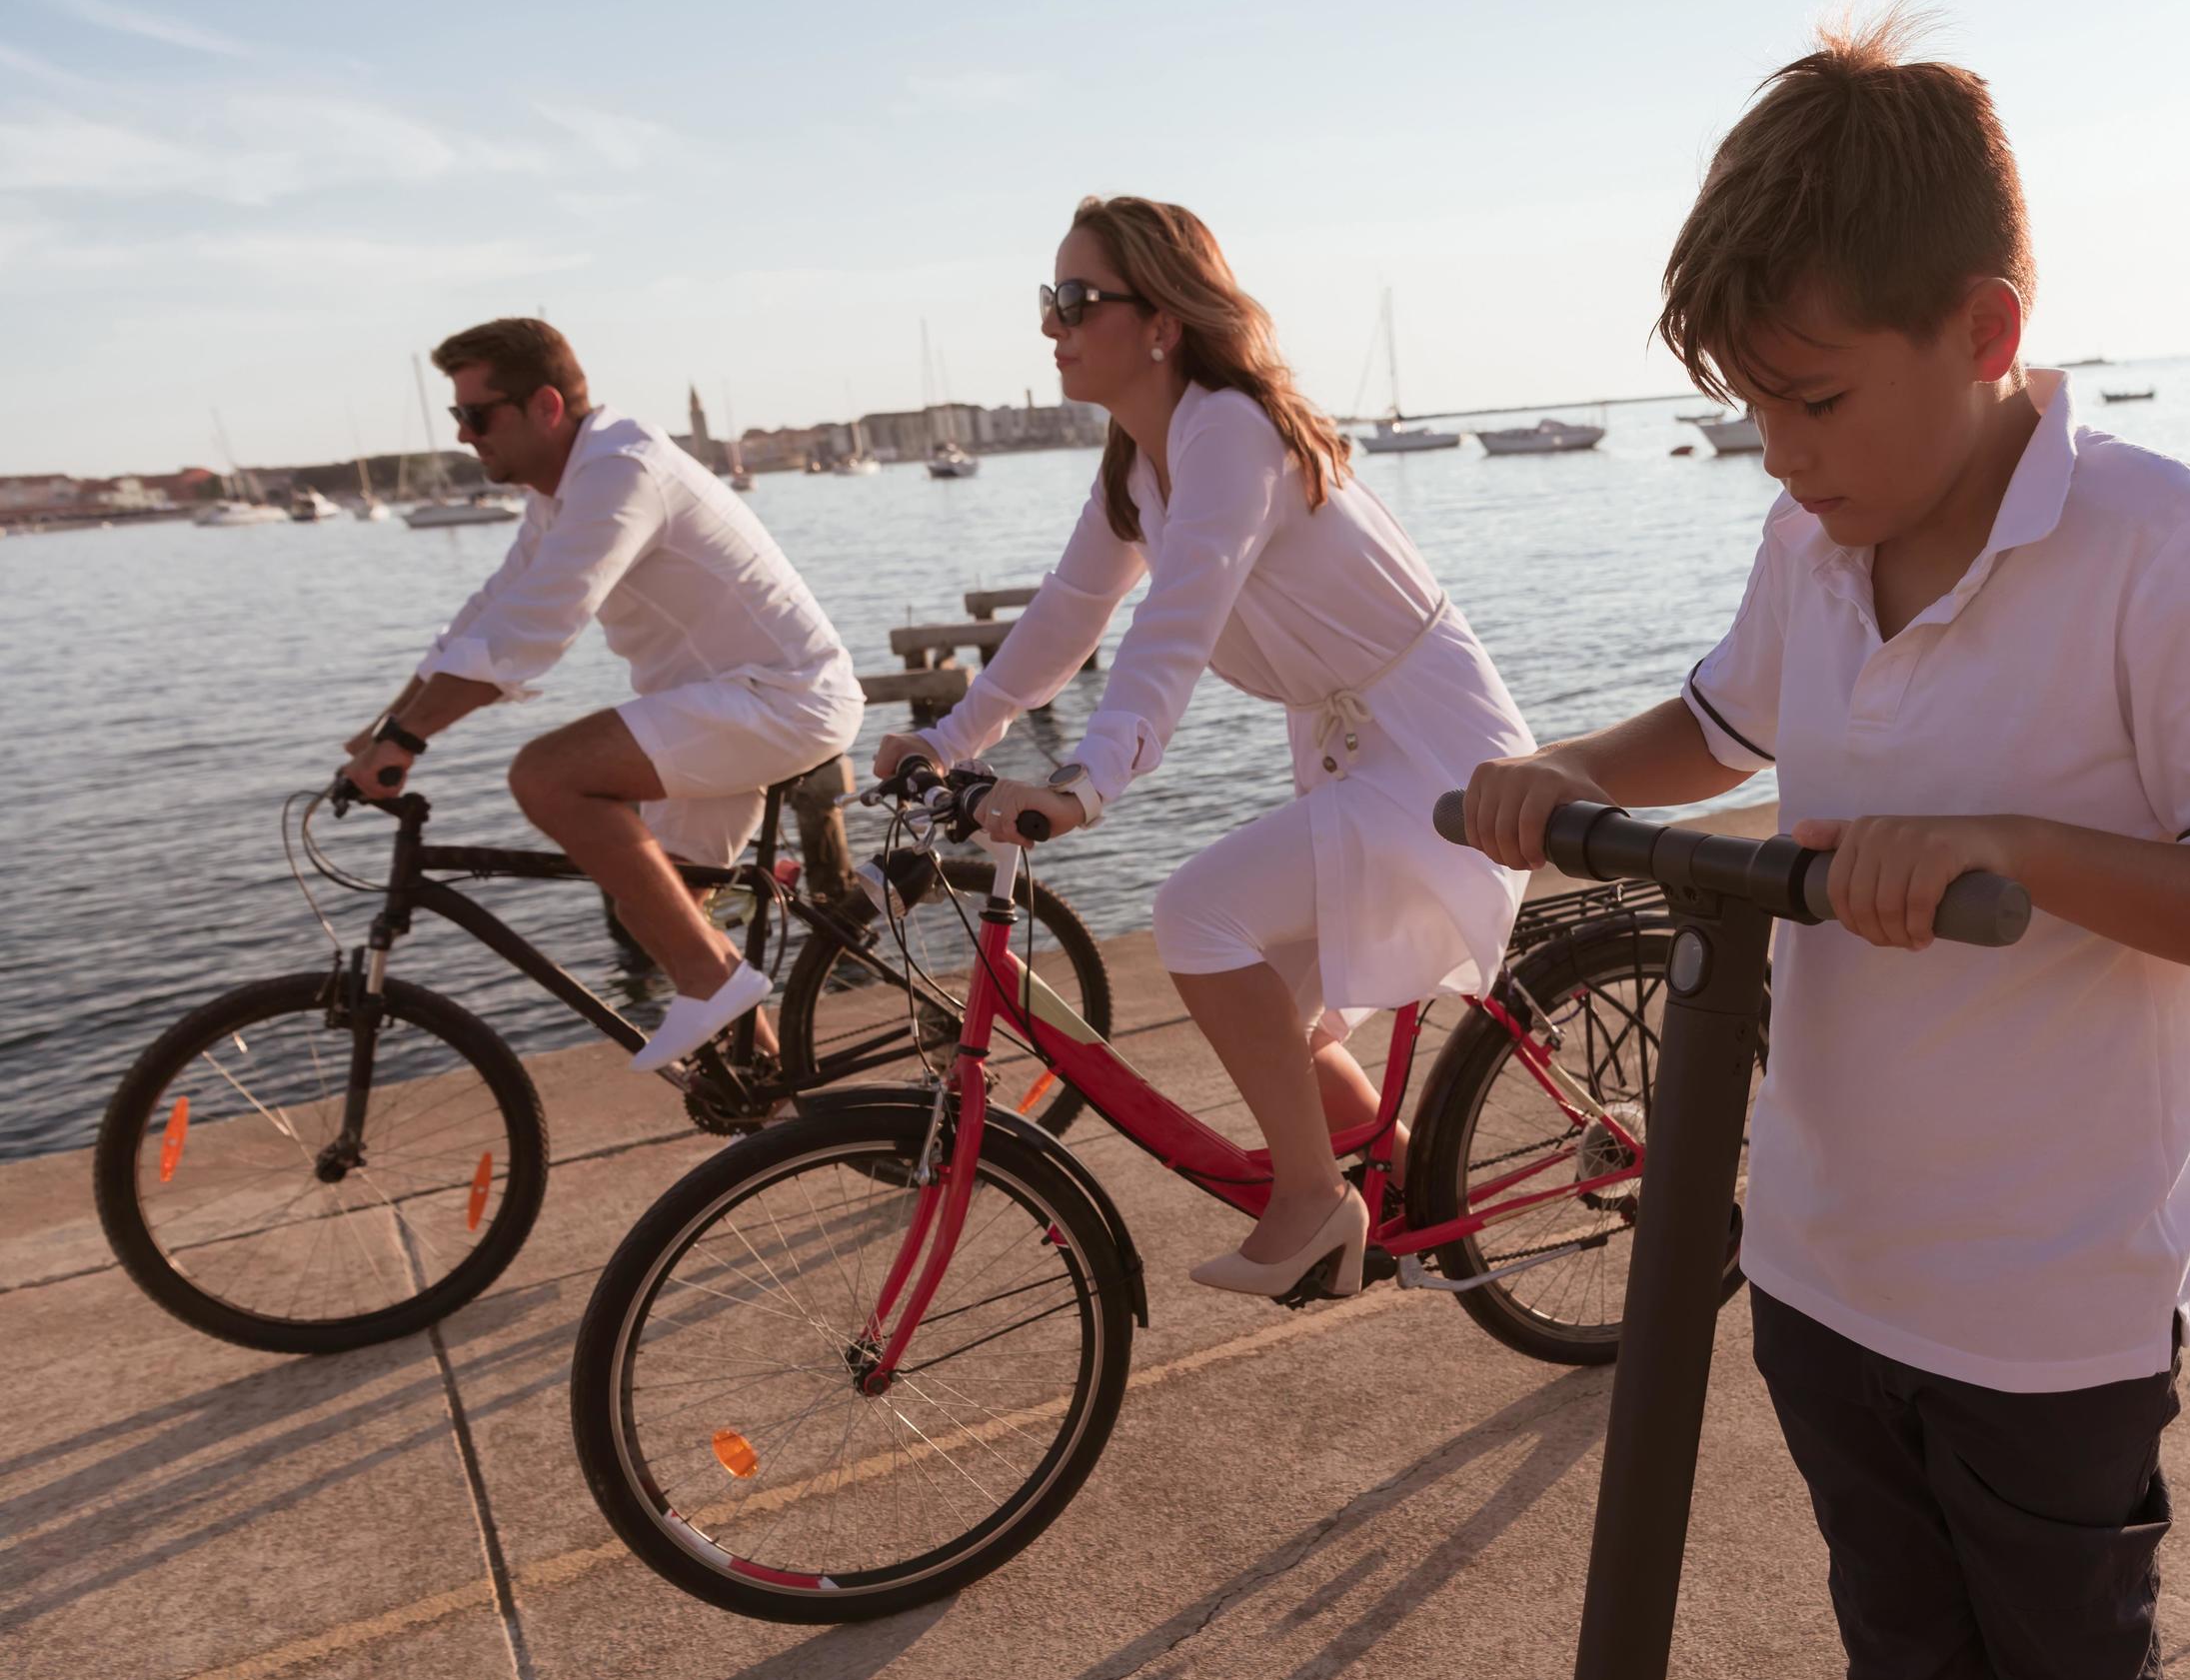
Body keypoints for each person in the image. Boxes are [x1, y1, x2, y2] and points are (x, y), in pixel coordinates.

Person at [1461, 19, 2190, 1680]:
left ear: (1983, 328)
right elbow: (1717, 723)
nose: (1783, 459)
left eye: (1815, 402)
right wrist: (1569, 781)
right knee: (1902, 1657)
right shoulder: (1816, 538)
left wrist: (2010, 855)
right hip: (1825, 1258)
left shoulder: (2157, 550)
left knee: (2075, 1660)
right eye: (1753, 417)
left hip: (2051, 1288)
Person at [879, 196, 1533, 1298]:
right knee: (1279, 1004)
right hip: (1355, 746)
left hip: (1435, 757)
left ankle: (1314, 1201)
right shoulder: (1142, 465)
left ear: (1163, 321)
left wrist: (1088, 785)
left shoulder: (1229, 430)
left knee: (1195, 915)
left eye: (1077, 300)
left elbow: (1170, 630)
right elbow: (1069, 616)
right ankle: (1421, 1205)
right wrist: (947, 739)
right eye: (1050, 301)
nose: (1053, 324)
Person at [339, 319, 865, 1070]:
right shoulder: (560, 493)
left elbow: (535, 628)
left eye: (475, 415)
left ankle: (713, 983)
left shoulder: (622, 471)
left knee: (547, 775)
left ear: (545, 406)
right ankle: (775, 1103)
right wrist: (388, 725)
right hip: (720, 710)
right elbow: (487, 615)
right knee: (652, 904)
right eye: (458, 416)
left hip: (780, 700)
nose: (463, 435)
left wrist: (409, 740)